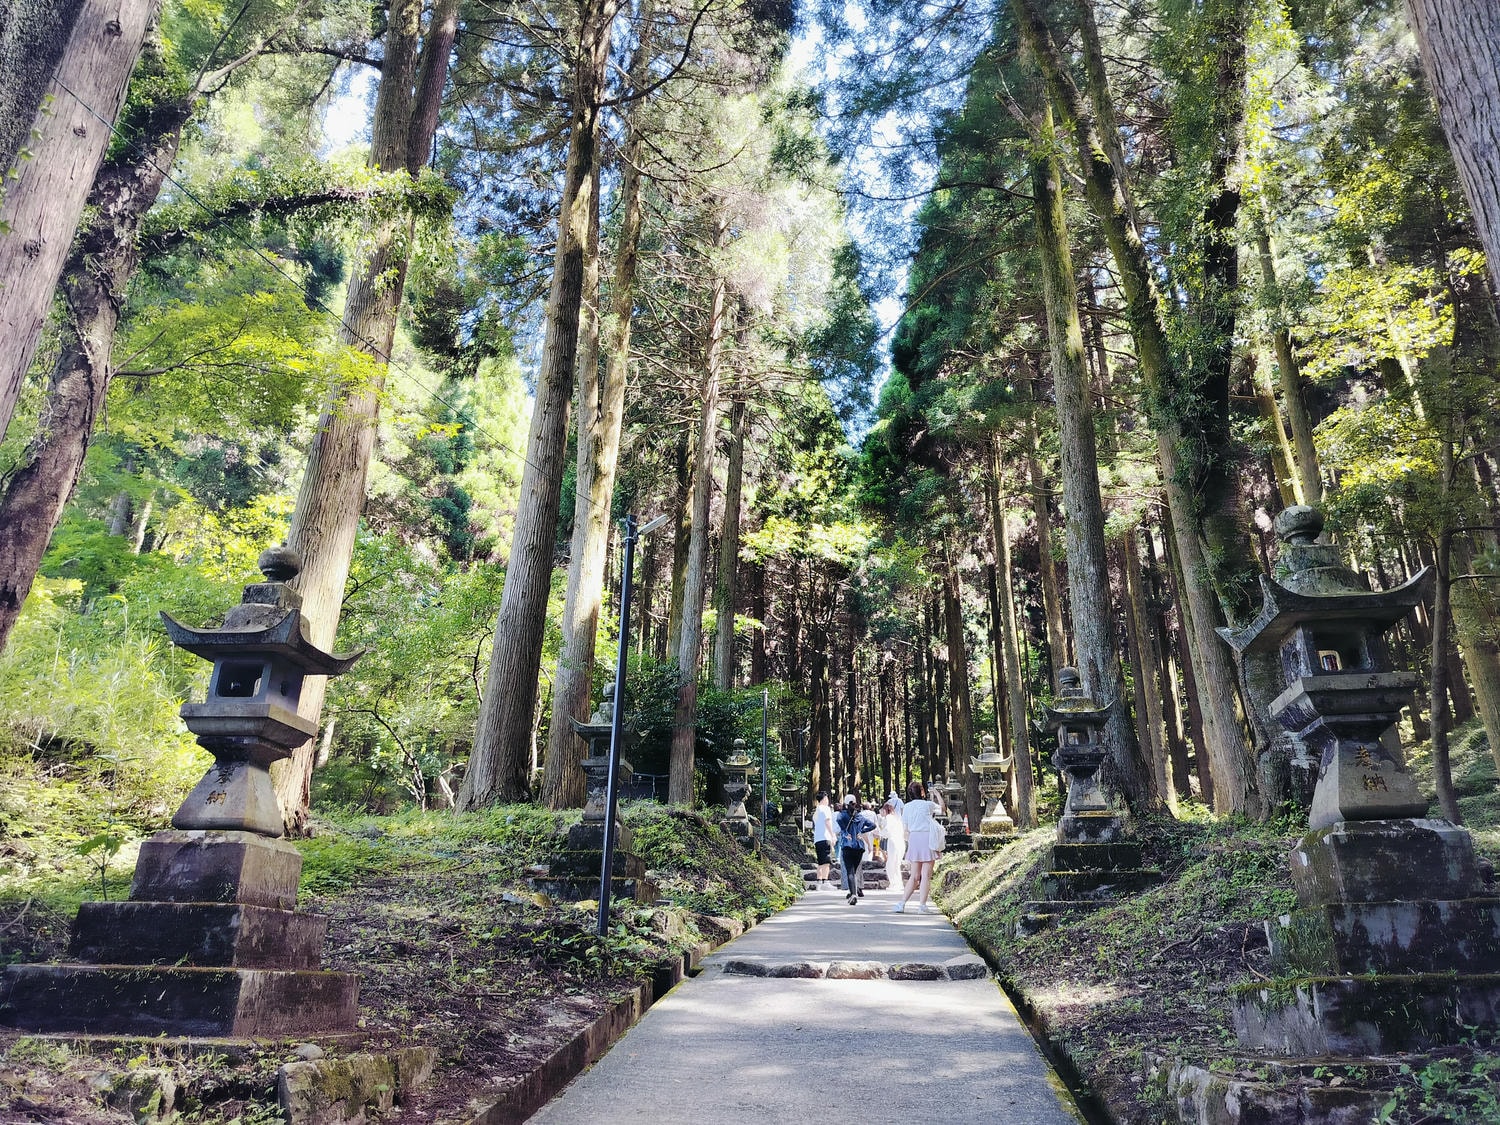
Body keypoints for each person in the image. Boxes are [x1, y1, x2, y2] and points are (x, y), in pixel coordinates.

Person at [893, 780, 941, 914]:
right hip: (927, 838)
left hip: (914, 838)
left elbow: (905, 828)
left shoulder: (907, 807)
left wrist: (909, 841)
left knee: (914, 876)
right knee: (925, 875)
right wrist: (937, 794)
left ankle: (901, 903)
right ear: (922, 792)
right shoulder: (928, 805)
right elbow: (942, 809)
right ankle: (922, 906)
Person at [835, 795, 876, 906]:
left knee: (850, 871)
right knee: (855, 870)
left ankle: (853, 893)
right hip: (859, 846)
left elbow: (840, 824)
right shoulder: (860, 817)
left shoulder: (841, 816)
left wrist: (845, 832)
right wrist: (862, 831)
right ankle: (853, 892)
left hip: (847, 846)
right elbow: (873, 825)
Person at [811, 790, 837, 889]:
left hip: (817, 838)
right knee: (826, 860)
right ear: (825, 798)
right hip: (825, 837)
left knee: (820, 861)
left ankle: (819, 882)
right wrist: (833, 835)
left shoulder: (816, 811)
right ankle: (825, 882)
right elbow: (828, 822)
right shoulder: (826, 809)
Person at [880, 799, 905, 890]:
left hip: (893, 842)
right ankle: (898, 883)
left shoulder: (889, 818)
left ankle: (894, 883)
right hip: (900, 842)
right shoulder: (897, 818)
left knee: (891, 863)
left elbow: (887, 830)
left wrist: (880, 834)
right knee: (896, 863)